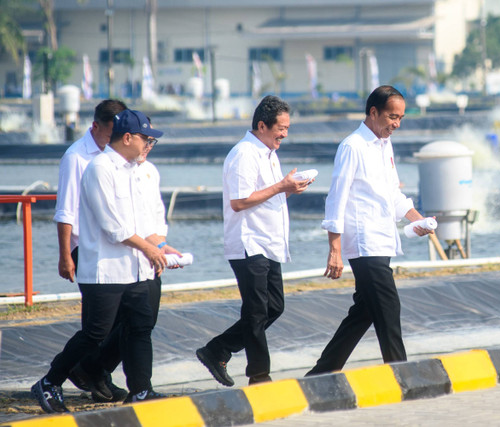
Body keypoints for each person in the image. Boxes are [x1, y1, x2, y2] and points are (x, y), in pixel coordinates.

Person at [31, 109, 169, 413]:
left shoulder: (137, 170)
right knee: (95, 333)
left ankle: (141, 391)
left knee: (140, 327)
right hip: (104, 270)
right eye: (146, 139)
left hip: (135, 269)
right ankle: (50, 382)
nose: (149, 145)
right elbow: (113, 225)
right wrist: (148, 248)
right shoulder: (99, 169)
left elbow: (148, 218)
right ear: (128, 137)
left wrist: (160, 244)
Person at [306, 86, 433, 376]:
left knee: (364, 312)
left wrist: (417, 219)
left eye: (400, 118)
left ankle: (321, 373)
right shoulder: (353, 146)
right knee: (389, 307)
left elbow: (392, 194)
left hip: (382, 238)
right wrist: (334, 249)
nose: (396, 124)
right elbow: (336, 198)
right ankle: (401, 372)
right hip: (364, 242)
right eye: (391, 116)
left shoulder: (384, 144)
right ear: (373, 112)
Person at [196, 95, 312, 386]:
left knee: (274, 307)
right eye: (281, 128)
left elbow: (264, 195)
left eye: (287, 128)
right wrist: (281, 186)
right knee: (257, 310)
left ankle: (218, 349)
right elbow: (239, 201)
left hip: (268, 242)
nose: (284, 134)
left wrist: (288, 189)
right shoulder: (244, 154)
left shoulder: (268, 152)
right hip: (249, 242)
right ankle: (259, 375)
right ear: (262, 125)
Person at [53, 99, 129, 401]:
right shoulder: (77, 157)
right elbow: (65, 211)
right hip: (84, 248)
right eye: (110, 131)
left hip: (111, 247)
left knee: (123, 317)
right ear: (95, 126)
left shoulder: (116, 156)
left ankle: (95, 372)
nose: (115, 139)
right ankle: (78, 373)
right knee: (98, 322)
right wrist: (64, 256)